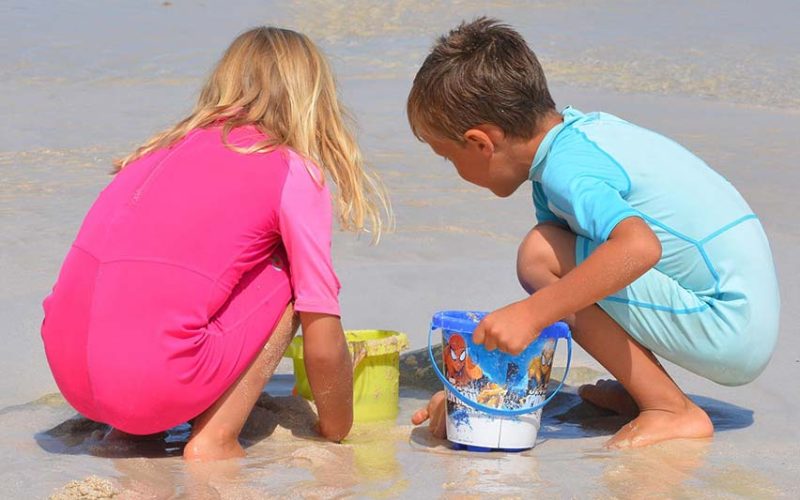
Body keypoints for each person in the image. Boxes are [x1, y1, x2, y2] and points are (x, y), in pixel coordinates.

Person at [408, 18, 779, 448]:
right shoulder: (578, 137)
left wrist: (532, 314)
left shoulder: (567, 170)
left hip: (731, 325)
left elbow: (640, 247)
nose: (455, 171)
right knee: (562, 253)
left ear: (480, 143)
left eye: (447, 156)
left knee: (539, 257)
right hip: (739, 311)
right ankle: (644, 388)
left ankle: (670, 408)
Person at [40, 26, 389, 461]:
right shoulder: (290, 168)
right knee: (290, 272)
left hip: (70, 372)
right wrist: (336, 428)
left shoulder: (157, 150)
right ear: (313, 101)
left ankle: (131, 434)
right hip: (152, 383)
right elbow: (320, 325)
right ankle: (215, 438)